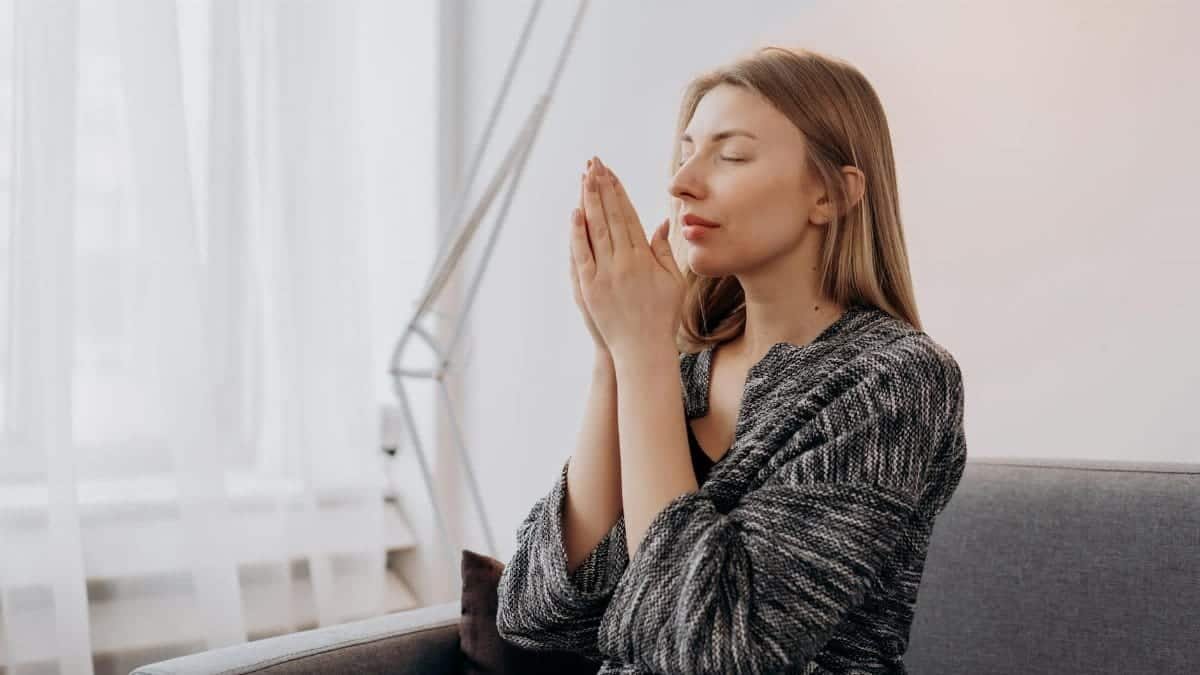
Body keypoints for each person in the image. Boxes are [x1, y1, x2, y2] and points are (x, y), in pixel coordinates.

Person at [496, 45, 967, 675]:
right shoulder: (680, 373)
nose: (681, 181)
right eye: (687, 150)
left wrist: (641, 356)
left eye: (732, 154)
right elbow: (536, 614)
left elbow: (716, 648)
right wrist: (616, 352)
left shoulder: (895, 381)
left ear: (831, 195)